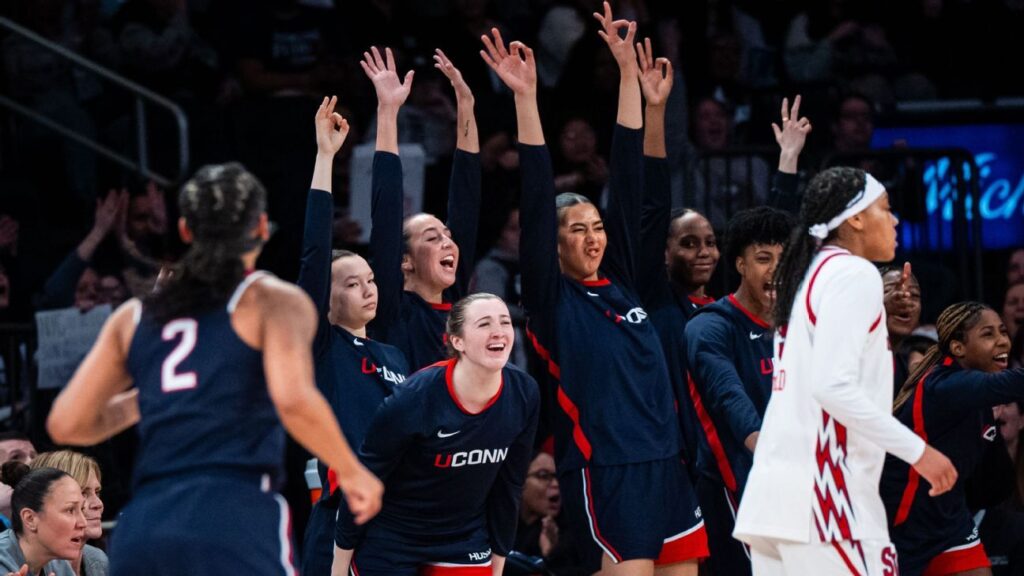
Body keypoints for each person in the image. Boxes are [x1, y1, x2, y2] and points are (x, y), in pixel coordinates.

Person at [45, 162, 382, 575]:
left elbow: (66, 424)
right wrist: (351, 471)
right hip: (235, 515)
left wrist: (151, 398)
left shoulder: (135, 315)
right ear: (260, 227)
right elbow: (294, 400)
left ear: (186, 230)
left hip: (147, 522)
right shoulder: (269, 299)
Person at [482, 5, 708, 573]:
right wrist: (526, 101)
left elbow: (635, 181)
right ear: (553, 246)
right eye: (576, 230)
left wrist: (630, 79)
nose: (592, 238)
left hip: (667, 465)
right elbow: (536, 201)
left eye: (597, 228)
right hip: (605, 470)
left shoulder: (625, 282)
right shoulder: (549, 299)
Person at [733, 166, 958, 573]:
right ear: (854, 218)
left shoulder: (806, 277)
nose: (894, 220)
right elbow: (832, 386)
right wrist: (918, 452)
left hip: (773, 503)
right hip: (824, 501)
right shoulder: (853, 272)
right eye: (884, 209)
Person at [332, 293, 540, 575]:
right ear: (457, 341)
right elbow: (366, 475)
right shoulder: (415, 397)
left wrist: (498, 566)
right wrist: (339, 564)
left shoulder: (524, 393)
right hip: (394, 533)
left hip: (463, 535)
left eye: (504, 322)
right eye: (484, 324)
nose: (499, 332)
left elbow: (510, 485)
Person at [298, 96, 410, 576]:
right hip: (337, 519)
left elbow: (386, 230)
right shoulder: (320, 346)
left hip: (398, 522)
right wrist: (325, 158)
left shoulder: (392, 351)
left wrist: (388, 118)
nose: (368, 288)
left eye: (371, 280)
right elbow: (314, 251)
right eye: (351, 283)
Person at [684, 206, 792, 576]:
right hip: (736, 488)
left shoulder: (801, 326)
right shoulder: (711, 327)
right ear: (740, 265)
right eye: (764, 259)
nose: (776, 269)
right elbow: (726, 394)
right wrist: (765, 446)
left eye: (784, 258)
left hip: (797, 484)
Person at [879, 302, 1023, 575]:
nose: (1002, 341)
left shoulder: (977, 392)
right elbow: (1011, 383)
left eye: (1003, 331)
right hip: (902, 523)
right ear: (958, 348)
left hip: (950, 520)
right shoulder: (944, 385)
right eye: (988, 334)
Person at [362, 46, 482, 371]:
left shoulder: (459, 305)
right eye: (431, 238)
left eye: (446, 235)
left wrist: (466, 105)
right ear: (405, 262)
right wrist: (388, 111)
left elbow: (467, 200)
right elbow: (386, 212)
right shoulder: (392, 309)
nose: (447, 242)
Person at [29, 452, 107, 576]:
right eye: (82, 493)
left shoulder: (99, 560)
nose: (98, 504)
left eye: (96, 492)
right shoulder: (14, 565)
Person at [0, 465, 81, 576]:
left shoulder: (57, 561)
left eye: (82, 509)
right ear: (30, 519)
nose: (83, 523)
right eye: (70, 510)